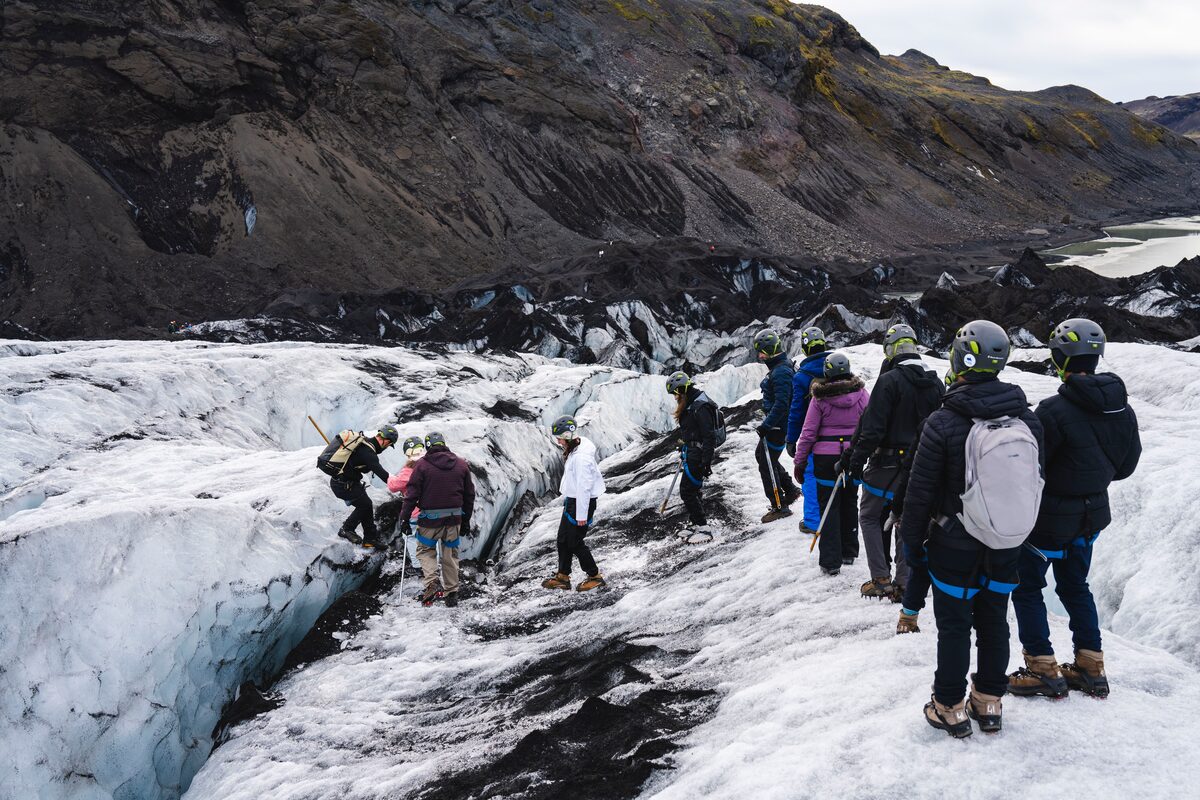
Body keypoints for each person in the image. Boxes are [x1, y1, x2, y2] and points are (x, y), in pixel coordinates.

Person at [899, 320, 1044, 737]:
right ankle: (989, 702)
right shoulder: (1027, 420)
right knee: (995, 620)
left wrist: (912, 545)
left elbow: (919, 493)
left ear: (959, 361)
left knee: (955, 626)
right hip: (1006, 543)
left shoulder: (943, 422)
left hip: (954, 544)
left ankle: (949, 706)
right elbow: (1035, 483)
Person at [1008, 318, 1141, 699]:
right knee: (1075, 586)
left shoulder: (1052, 411)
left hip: (1048, 520)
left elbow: (1031, 469)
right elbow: (1126, 467)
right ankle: (1090, 667)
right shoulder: (1122, 409)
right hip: (1091, 516)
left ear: (1059, 358)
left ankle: (1042, 667)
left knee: (1028, 587)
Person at [843, 324, 944, 601]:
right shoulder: (936, 383)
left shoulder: (889, 381)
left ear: (891, 350)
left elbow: (872, 428)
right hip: (920, 464)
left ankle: (880, 579)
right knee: (905, 519)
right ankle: (903, 582)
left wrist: (855, 461)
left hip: (885, 463)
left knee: (869, 516)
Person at [792, 352, 868, 575]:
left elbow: (808, 433)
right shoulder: (862, 395)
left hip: (825, 460)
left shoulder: (820, 398)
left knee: (828, 505)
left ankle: (830, 561)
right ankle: (849, 551)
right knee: (849, 501)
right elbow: (871, 424)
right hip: (853, 457)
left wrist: (800, 462)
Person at [399, 432, 475, 607]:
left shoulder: (422, 465)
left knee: (426, 551)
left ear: (427, 447)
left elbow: (412, 494)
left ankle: (432, 583)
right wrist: (466, 521)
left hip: (429, 520)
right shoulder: (461, 464)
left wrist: (404, 518)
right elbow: (469, 495)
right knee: (450, 554)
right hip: (454, 519)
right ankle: (451, 593)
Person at [542, 416, 608, 592]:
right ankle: (563, 576)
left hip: (580, 503)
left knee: (574, 542)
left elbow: (584, 488)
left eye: (560, 438)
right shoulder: (576, 448)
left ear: (568, 436)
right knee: (563, 540)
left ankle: (595, 576)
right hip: (572, 501)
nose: (558, 441)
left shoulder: (581, 458)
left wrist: (581, 515)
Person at [319, 424, 398, 549]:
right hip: (343, 485)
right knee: (364, 505)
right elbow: (382, 473)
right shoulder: (368, 452)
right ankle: (347, 529)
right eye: (389, 445)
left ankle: (370, 539)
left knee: (367, 505)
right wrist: (400, 485)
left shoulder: (365, 443)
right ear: (386, 441)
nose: (386, 448)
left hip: (347, 482)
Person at [786, 326, 832, 534]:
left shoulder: (802, 377)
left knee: (811, 477)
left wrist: (791, 439)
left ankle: (813, 522)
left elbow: (796, 410)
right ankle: (837, 517)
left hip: (814, 436)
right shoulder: (839, 369)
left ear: (805, 349)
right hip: (842, 435)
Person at [753, 329, 801, 522]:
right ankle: (790, 490)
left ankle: (779, 506)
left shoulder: (781, 372)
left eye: (762, 352)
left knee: (766, 462)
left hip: (778, 426)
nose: (760, 356)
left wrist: (767, 425)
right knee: (764, 457)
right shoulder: (781, 367)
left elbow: (782, 404)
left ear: (770, 350)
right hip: (779, 424)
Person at [666, 371, 719, 543]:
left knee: (687, 490)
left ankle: (703, 527)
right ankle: (696, 522)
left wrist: (706, 462)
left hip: (698, 455)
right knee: (693, 490)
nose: (675, 397)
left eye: (675, 393)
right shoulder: (692, 404)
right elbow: (692, 431)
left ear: (682, 390)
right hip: (692, 452)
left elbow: (709, 436)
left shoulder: (699, 407)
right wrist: (684, 444)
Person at [377, 437, 426, 560]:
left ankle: (417, 565)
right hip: (434, 510)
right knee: (430, 538)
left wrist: (390, 477)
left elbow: (394, 486)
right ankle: (433, 564)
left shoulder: (409, 470)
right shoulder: (431, 465)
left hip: (416, 511)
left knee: (411, 537)